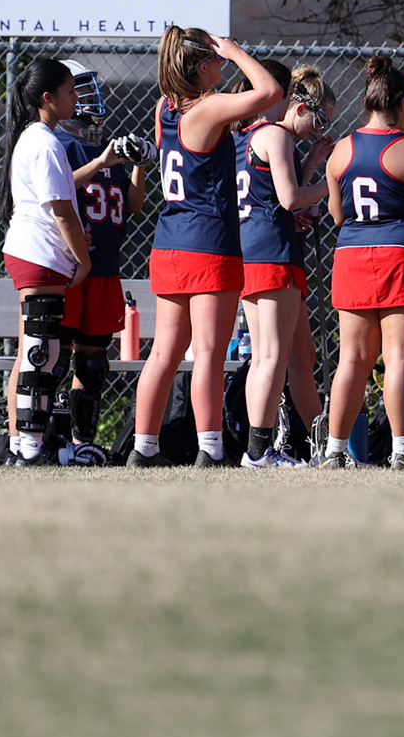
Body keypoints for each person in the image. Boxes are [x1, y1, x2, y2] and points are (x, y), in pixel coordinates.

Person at [129, 28, 282, 467]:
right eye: (216, 59)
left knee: (164, 352)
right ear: (201, 67)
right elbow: (270, 91)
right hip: (209, 243)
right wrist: (237, 49)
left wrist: (223, 56)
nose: (224, 65)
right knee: (209, 353)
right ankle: (211, 450)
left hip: (170, 242)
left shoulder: (165, 107)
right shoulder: (209, 107)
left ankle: (144, 448)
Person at [319, 55, 404, 468]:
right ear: (402, 106)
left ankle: (334, 451)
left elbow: (338, 216)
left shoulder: (341, 150)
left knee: (352, 360)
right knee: (400, 359)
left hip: (352, 256)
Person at [234, 61, 334, 468]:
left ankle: (329, 449)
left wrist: (311, 164)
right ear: (298, 104)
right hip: (272, 251)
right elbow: (291, 200)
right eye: (320, 117)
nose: (321, 127)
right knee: (270, 356)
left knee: (297, 358)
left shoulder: (248, 135)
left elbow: (274, 194)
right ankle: (259, 450)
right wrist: (335, 181)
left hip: (256, 248)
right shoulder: (274, 134)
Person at [0, 59, 91, 465]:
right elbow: (62, 211)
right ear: (48, 98)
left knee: (33, 350)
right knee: (42, 352)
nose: (76, 99)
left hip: (32, 251)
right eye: (70, 92)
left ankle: (21, 443)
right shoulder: (47, 143)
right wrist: (82, 259)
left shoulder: (33, 138)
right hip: (40, 254)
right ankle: (31, 448)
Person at [53, 60, 148, 459]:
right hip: (71, 268)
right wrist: (100, 163)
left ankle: (83, 444)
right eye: (78, 91)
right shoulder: (59, 145)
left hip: (106, 267)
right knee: (52, 360)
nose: (88, 99)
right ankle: (32, 439)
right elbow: (52, 189)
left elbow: (133, 205)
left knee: (92, 364)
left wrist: (141, 163)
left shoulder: (104, 148)